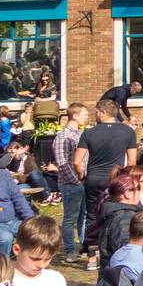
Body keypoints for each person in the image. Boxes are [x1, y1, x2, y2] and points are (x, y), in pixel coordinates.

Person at [74, 98, 139, 221]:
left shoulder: (88, 133)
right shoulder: (128, 131)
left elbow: (77, 161)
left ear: (103, 112)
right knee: (115, 214)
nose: (95, 116)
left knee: (92, 217)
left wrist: (81, 176)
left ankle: (91, 240)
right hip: (115, 179)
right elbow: (132, 162)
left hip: (93, 179)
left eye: (96, 112)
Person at [53, 102, 90, 260]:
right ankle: (70, 250)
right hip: (71, 184)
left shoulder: (80, 134)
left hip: (83, 181)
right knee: (70, 218)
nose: (87, 117)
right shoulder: (63, 137)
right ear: (75, 116)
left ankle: (83, 246)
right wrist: (76, 181)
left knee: (84, 216)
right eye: (84, 114)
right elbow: (62, 163)